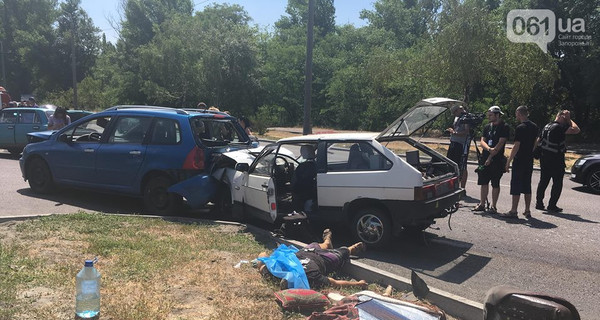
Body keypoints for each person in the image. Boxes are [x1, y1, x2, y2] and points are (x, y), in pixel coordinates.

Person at [256, 229, 367, 289]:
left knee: (320, 245)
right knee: (342, 253)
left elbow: (262, 256)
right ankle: (352, 249)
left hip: (307, 251)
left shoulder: (278, 270)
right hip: (324, 260)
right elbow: (335, 283)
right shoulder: (311, 277)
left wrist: (263, 263)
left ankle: (327, 241)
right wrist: (357, 284)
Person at [535, 110, 580, 212]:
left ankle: (539, 203)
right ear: (560, 117)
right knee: (557, 183)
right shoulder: (560, 127)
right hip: (556, 159)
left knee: (543, 181)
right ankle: (552, 205)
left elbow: (539, 139)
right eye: (564, 118)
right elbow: (576, 130)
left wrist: (534, 151)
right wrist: (569, 119)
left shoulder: (547, 126)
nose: (565, 121)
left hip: (544, 158)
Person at [501, 106, 538, 219]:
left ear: (520, 113)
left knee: (516, 184)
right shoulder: (534, 126)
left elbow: (516, 145)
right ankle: (527, 210)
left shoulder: (520, 128)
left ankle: (514, 210)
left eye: (516, 114)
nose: (516, 116)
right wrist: (531, 151)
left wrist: (508, 161)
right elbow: (536, 141)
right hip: (529, 159)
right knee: (527, 184)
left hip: (520, 159)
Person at [473, 106, 510, 214]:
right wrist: (489, 149)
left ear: (497, 115)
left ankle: (493, 206)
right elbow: (482, 142)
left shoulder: (504, 127)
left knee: (495, 183)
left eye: (491, 115)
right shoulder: (487, 127)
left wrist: (491, 156)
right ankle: (482, 204)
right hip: (484, 158)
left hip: (497, 160)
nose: (488, 117)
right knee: (483, 181)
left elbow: (500, 143)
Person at [446, 105, 471, 188]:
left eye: (454, 112)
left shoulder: (466, 118)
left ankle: (462, 187)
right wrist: (452, 131)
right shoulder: (457, 118)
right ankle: (453, 185)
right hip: (454, 142)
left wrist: (454, 133)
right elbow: (456, 128)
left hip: (461, 144)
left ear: (459, 110)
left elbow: (466, 131)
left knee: (462, 165)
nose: (454, 114)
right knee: (452, 163)